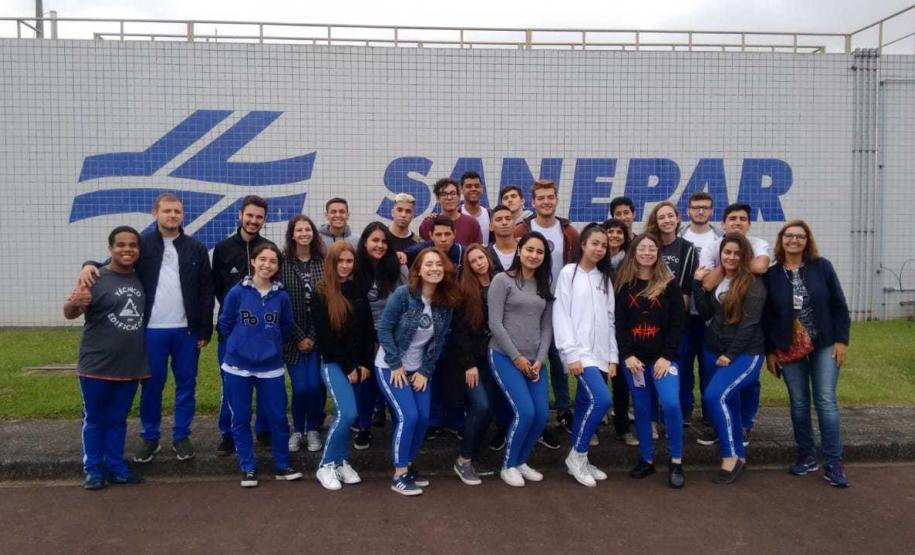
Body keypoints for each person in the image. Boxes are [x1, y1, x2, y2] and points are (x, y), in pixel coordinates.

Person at [79, 193, 214, 464]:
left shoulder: (195, 247)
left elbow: (206, 291)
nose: (172, 215)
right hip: (151, 330)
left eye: (177, 211)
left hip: (186, 331)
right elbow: (117, 261)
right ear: (155, 213)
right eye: (167, 210)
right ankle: (150, 437)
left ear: (183, 215)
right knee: (152, 386)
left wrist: (204, 331)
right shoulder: (143, 245)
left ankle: (181, 436)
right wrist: (88, 265)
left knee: (186, 385)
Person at [763, 221, 850, 487]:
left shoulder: (821, 267)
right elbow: (767, 316)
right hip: (789, 346)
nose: (794, 240)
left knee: (825, 399)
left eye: (800, 237)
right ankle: (806, 454)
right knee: (799, 402)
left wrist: (841, 341)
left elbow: (839, 305)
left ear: (807, 241)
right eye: (789, 236)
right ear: (781, 240)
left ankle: (834, 461)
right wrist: (770, 352)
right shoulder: (772, 274)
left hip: (824, 342)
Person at [65, 226, 150, 490]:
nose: (127, 250)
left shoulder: (141, 278)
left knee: (117, 420)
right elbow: (69, 312)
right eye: (121, 245)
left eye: (133, 245)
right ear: (110, 248)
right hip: (96, 365)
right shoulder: (95, 277)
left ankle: (116, 467)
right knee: (94, 418)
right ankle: (93, 470)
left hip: (130, 365)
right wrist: (75, 303)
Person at [217, 243, 302, 487]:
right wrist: (240, 344)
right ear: (253, 262)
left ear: (277, 267)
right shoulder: (237, 292)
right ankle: (248, 467)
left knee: (277, 416)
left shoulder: (281, 296)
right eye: (262, 259)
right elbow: (226, 323)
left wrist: (270, 346)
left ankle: (282, 465)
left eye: (273, 261)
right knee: (241, 417)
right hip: (237, 367)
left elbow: (285, 326)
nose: (267, 265)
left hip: (271, 367)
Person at [375, 248, 458, 496]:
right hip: (391, 366)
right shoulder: (404, 295)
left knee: (423, 418)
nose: (434, 269)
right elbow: (384, 330)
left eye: (438, 264)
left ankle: (409, 465)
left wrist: (425, 370)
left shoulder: (445, 302)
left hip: (419, 369)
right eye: (428, 264)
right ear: (418, 270)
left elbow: (439, 341)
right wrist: (396, 364)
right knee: (408, 416)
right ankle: (399, 475)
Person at [693, 233, 767, 484]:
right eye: (727, 252)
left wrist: (730, 354)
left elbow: (750, 324)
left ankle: (729, 456)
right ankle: (740, 456)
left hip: (744, 354)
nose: (732, 257)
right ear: (720, 254)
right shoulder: (721, 279)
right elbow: (706, 312)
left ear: (745, 255)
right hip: (714, 349)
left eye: (737, 253)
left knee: (714, 396)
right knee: (729, 404)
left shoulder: (754, 284)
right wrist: (697, 285)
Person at [614, 233, 686, 489]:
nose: (646, 252)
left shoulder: (669, 284)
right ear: (634, 253)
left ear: (658, 253)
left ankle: (676, 461)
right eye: (641, 248)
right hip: (635, 361)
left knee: (670, 404)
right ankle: (646, 459)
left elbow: (678, 324)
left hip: (664, 360)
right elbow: (619, 325)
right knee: (643, 410)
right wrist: (627, 355)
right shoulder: (624, 285)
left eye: (651, 248)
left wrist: (666, 357)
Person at [696, 203, 771, 445]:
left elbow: (760, 266)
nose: (737, 222)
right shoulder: (712, 246)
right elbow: (706, 284)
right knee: (715, 384)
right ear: (723, 223)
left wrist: (730, 265)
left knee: (746, 383)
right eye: (732, 218)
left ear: (748, 224)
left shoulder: (758, 246)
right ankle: (720, 426)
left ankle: (745, 425)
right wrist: (725, 268)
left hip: (745, 343)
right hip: (716, 335)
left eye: (742, 219)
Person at [513, 179, 580, 443]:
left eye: (550, 197)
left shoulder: (569, 232)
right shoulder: (522, 229)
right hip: (530, 302)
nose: (546, 202)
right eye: (540, 198)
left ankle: (564, 410)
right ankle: (526, 412)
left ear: (556, 200)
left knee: (560, 357)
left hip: (560, 304)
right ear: (533, 202)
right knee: (531, 356)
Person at [553, 224, 617, 487]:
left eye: (604, 245)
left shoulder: (604, 278)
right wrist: (571, 353)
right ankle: (576, 454)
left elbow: (610, 319)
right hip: (580, 354)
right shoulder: (569, 273)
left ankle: (582, 458)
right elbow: (561, 314)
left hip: (601, 353)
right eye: (595, 243)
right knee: (602, 400)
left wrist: (613, 356)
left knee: (584, 406)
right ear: (583, 244)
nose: (600, 249)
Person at [488, 232, 554, 487]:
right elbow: (495, 323)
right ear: (519, 250)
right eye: (529, 249)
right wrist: (516, 358)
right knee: (525, 412)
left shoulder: (544, 285)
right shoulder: (502, 280)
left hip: (535, 360)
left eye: (539, 252)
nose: (534, 255)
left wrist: (540, 359)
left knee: (541, 414)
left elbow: (547, 327)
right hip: (505, 356)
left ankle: (521, 460)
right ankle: (508, 465)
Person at [212, 195, 276, 454]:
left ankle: (263, 428)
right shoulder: (224, 248)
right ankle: (228, 433)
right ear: (240, 215)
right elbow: (218, 289)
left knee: (263, 382)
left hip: (264, 333)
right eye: (249, 215)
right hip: (233, 333)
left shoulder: (270, 248)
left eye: (259, 217)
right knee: (231, 384)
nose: (253, 221)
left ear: (264, 220)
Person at [310, 241, 376, 491]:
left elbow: (367, 330)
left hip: (358, 365)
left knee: (349, 414)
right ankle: (325, 465)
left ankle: (340, 461)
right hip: (334, 363)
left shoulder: (357, 287)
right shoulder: (321, 291)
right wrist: (349, 366)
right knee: (347, 413)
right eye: (341, 261)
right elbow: (326, 337)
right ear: (332, 263)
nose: (345, 266)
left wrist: (365, 363)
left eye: (349, 261)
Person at [352, 222, 408, 450]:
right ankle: (363, 427)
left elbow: (407, 303)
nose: (380, 245)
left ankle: (399, 429)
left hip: (393, 335)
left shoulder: (398, 268)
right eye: (375, 240)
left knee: (394, 383)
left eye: (384, 241)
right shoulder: (355, 269)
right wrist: (370, 340)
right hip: (364, 335)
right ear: (365, 242)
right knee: (365, 383)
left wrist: (386, 339)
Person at [446, 244, 498, 485]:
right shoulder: (464, 290)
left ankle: (473, 456)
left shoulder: (500, 281)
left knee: (490, 409)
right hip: (472, 361)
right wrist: (469, 364)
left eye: (481, 257)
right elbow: (459, 331)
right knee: (481, 405)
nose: (479, 263)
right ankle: (463, 460)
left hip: (495, 358)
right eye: (473, 260)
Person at [645, 201, 699, 421]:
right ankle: (653, 415)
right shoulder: (649, 246)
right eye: (661, 217)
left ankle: (682, 413)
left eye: (670, 216)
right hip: (650, 320)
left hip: (677, 320)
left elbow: (685, 289)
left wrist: (674, 320)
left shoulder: (687, 248)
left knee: (681, 367)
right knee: (652, 370)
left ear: (677, 219)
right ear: (655, 222)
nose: (666, 220)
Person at [281, 215, 326, 454]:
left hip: (318, 336)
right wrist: (299, 336)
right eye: (299, 230)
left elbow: (328, 303)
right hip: (292, 338)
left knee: (315, 385)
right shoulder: (283, 262)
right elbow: (280, 305)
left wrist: (312, 335)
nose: (304, 233)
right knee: (301, 387)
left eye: (308, 229)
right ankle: (297, 430)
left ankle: (313, 430)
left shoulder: (322, 261)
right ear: (292, 234)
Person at [679, 192, 724, 428]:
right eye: (696, 207)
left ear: (711, 211)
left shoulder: (721, 239)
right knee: (684, 363)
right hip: (685, 313)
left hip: (711, 313)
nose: (700, 211)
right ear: (688, 210)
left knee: (710, 365)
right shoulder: (679, 236)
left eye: (705, 208)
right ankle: (685, 410)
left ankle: (710, 411)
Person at [600, 217, 637, 446]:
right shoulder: (595, 260)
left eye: (618, 232)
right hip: (598, 327)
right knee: (597, 378)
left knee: (622, 381)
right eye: (610, 231)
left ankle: (622, 427)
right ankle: (594, 425)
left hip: (625, 326)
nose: (614, 235)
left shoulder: (631, 261)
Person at [419, 178, 483, 246]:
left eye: (453, 193)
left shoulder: (472, 223)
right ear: (438, 198)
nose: (449, 198)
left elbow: (478, 251)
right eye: (444, 194)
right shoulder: (428, 224)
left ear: (458, 197)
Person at [487, 204, 519, 273]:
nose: (504, 223)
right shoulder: (486, 254)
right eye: (498, 220)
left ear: (514, 225)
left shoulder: (525, 250)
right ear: (491, 227)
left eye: (508, 219)